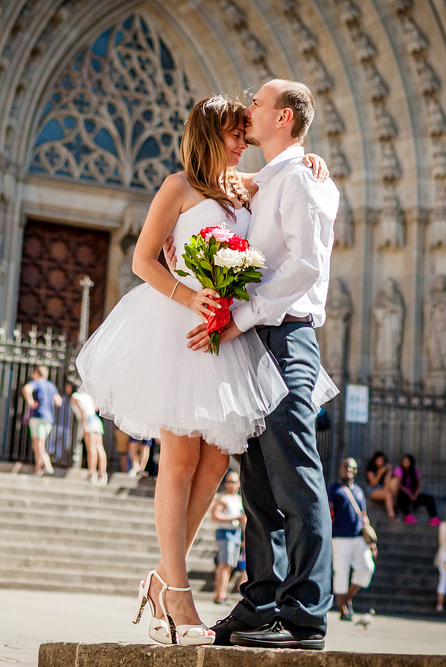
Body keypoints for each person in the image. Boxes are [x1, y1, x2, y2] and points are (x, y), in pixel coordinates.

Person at [77, 93, 332, 646]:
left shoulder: (247, 186)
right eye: (234, 135)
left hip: (228, 332)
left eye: (246, 133)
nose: (242, 144)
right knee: (182, 456)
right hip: (180, 323)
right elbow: (143, 259)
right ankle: (177, 590)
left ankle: (163, 580)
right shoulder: (177, 186)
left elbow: (298, 185)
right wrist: (187, 297)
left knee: (218, 461)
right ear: (209, 134)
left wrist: (313, 161)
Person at [197, 79, 341, 651]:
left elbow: (306, 265)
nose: (247, 109)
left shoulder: (302, 179)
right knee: (258, 481)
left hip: (283, 338)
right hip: (259, 338)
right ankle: (261, 602)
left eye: (255, 103)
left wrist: (244, 315)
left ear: (282, 116)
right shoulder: (280, 177)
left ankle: (306, 614)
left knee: (295, 477)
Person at [327, 458, 376, 622]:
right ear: (340, 469)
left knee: (367, 567)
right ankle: (343, 609)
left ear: (356, 471)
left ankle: (347, 598)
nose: (349, 469)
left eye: (352, 467)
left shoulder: (359, 491)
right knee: (341, 571)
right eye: (346, 466)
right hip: (340, 538)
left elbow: (364, 515)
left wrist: (372, 541)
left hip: (358, 537)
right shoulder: (335, 489)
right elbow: (328, 512)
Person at [21, 365, 62, 476]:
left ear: (36, 373)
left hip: (38, 416)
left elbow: (26, 389)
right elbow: (58, 401)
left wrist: (30, 401)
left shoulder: (37, 382)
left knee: (39, 444)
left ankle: (47, 464)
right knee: (37, 444)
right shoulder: (51, 386)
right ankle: (38, 469)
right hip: (49, 419)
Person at [211, 472, 245, 605]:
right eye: (229, 481)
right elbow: (214, 516)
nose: (231, 484)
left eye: (233, 482)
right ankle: (219, 594)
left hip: (235, 533)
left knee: (230, 565)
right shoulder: (222, 498)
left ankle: (222, 594)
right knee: (224, 565)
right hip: (225, 532)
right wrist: (234, 518)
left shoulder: (238, 499)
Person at [66, 380, 107, 485]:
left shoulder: (75, 397)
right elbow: (96, 408)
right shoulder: (87, 396)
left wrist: (84, 426)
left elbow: (83, 411)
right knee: (99, 448)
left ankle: (91, 473)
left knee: (91, 449)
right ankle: (102, 474)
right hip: (96, 420)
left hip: (88, 420)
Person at [392, 454, 440, 526]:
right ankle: (407, 515)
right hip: (403, 495)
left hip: (413, 495)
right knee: (404, 497)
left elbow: (418, 485)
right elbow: (399, 485)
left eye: (407, 462)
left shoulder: (415, 472)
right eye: (404, 461)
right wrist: (408, 493)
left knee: (429, 499)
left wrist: (415, 494)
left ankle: (433, 518)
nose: (405, 463)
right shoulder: (399, 470)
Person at [364, 451, 397, 521]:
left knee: (394, 482)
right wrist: (380, 473)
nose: (381, 462)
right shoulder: (370, 470)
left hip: (382, 489)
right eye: (379, 460)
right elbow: (373, 483)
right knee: (388, 495)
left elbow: (387, 484)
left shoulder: (384, 469)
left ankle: (394, 503)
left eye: (382, 461)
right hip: (373, 490)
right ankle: (392, 516)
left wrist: (389, 472)